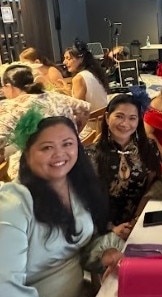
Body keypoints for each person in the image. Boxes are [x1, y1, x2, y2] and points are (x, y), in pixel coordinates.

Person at [0, 110, 124, 297]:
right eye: (47, 147)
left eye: (67, 144)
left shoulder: (76, 187)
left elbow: (77, 248)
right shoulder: (13, 205)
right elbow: (5, 287)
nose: (59, 154)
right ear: (27, 153)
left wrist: (103, 254)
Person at [86, 94, 162, 240]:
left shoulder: (149, 147)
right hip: (104, 230)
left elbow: (154, 185)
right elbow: (86, 200)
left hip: (143, 221)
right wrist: (112, 228)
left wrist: (136, 221)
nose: (125, 123)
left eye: (132, 118)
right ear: (107, 117)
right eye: (119, 116)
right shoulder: (90, 155)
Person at [0, 64, 90, 179]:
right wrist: (74, 133)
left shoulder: (12, 105)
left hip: (37, 171)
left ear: (9, 86)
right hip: (71, 159)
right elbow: (85, 109)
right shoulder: (54, 96)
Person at [63, 38, 109, 110]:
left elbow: (78, 110)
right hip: (101, 118)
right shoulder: (94, 73)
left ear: (81, 59)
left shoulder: (79, 78)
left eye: (69, 58)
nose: (64, 62)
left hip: (91, 120)